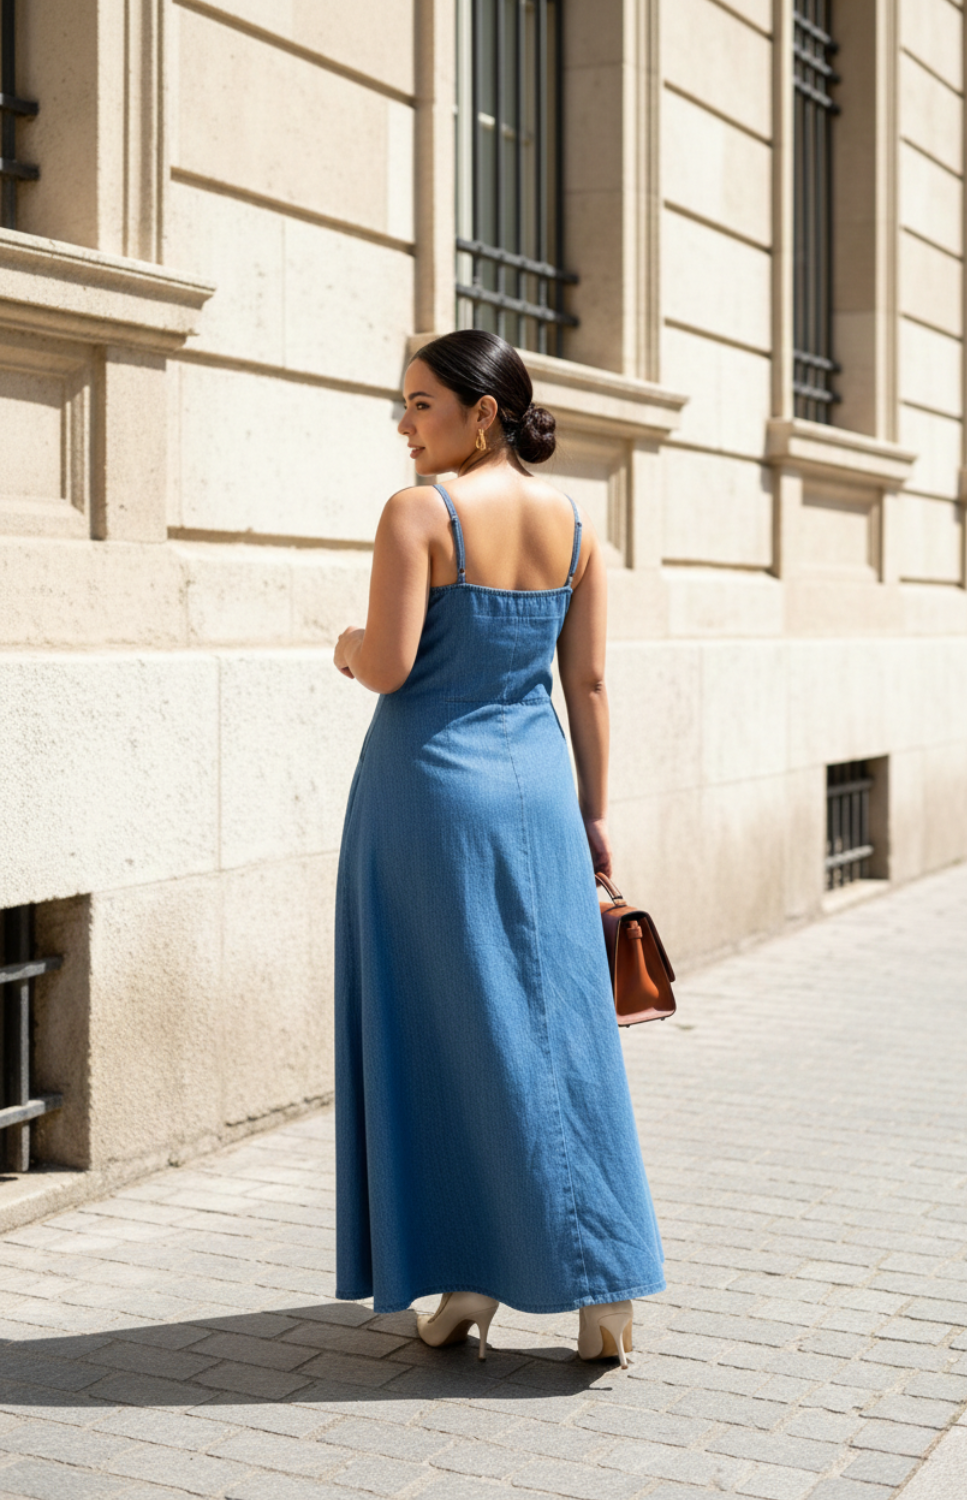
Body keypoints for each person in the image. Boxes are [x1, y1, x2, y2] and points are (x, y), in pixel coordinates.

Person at [333, 330, 665, 1369]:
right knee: (560, 1034)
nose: (403, 425)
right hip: (537, 795)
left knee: (443, 1035)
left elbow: (387, 667)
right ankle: (599, 1292)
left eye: (420, 405)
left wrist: (343, 647)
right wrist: (594, 814)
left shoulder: (417, 514)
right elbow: (591, 688)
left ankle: (469, 1276)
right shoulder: (573, 527)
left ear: (483, 414)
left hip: (428, 799)